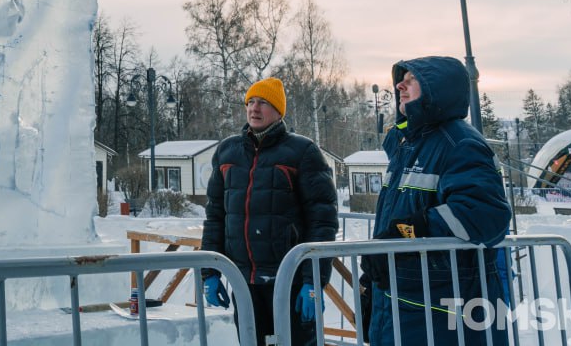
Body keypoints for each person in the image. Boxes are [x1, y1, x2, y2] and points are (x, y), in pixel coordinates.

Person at [363, 56, 511, 346]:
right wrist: (374, 275)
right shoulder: (408, 146)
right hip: (402, 296)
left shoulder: (459, 143)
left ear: (436, 89)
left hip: (443, 305)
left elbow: (486, 215)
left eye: (411, 80)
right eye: (400, 80)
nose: (399, 85)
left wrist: (410, 230)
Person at [201, 77, 338, 346]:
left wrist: (314, 281)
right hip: (244, 280)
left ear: (278, 110)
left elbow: (322, 220)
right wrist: (210, 272)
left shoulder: (302, 151)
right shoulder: (228, 151)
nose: (254, 108)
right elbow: (215, 215)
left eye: (263, 102)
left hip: (290, 279)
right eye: (250, 102)